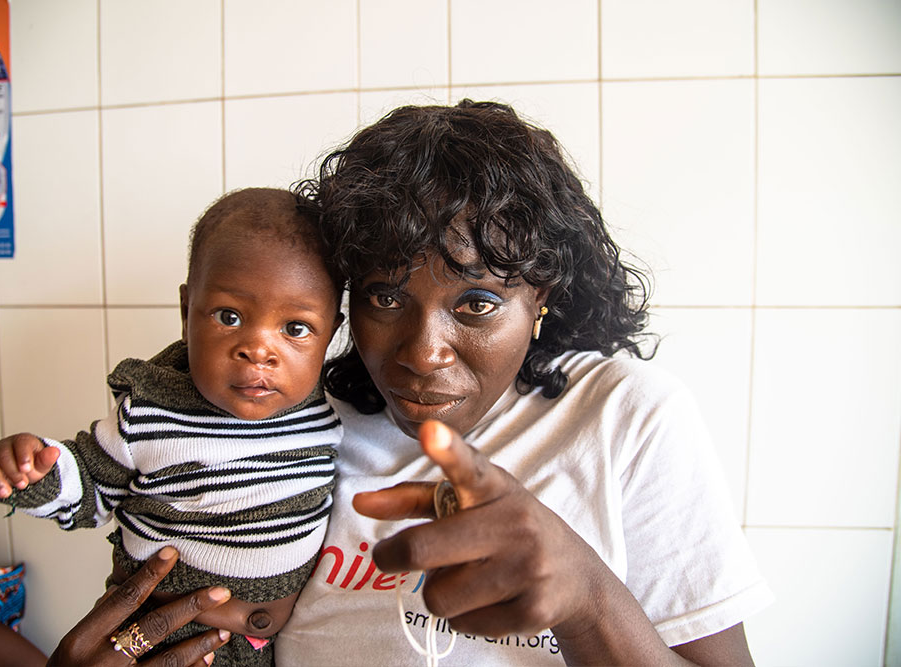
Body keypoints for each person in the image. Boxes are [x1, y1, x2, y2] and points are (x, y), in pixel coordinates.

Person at [271, 100, 770, 665]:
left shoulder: (625, 419)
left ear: (542, 297)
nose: (422, 353)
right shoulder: (302, 425)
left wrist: (587, 597)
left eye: (477, 302)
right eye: (385, 298)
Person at [0, 188, 345, 666]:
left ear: (331, 332)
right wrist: (34, 470)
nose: (258, 349)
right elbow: (89, 483)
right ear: (187, 312)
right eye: (229, 317)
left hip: (260, 650)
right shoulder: (151, 411)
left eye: (295, 328)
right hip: (153, 639)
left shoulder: (329, 408)